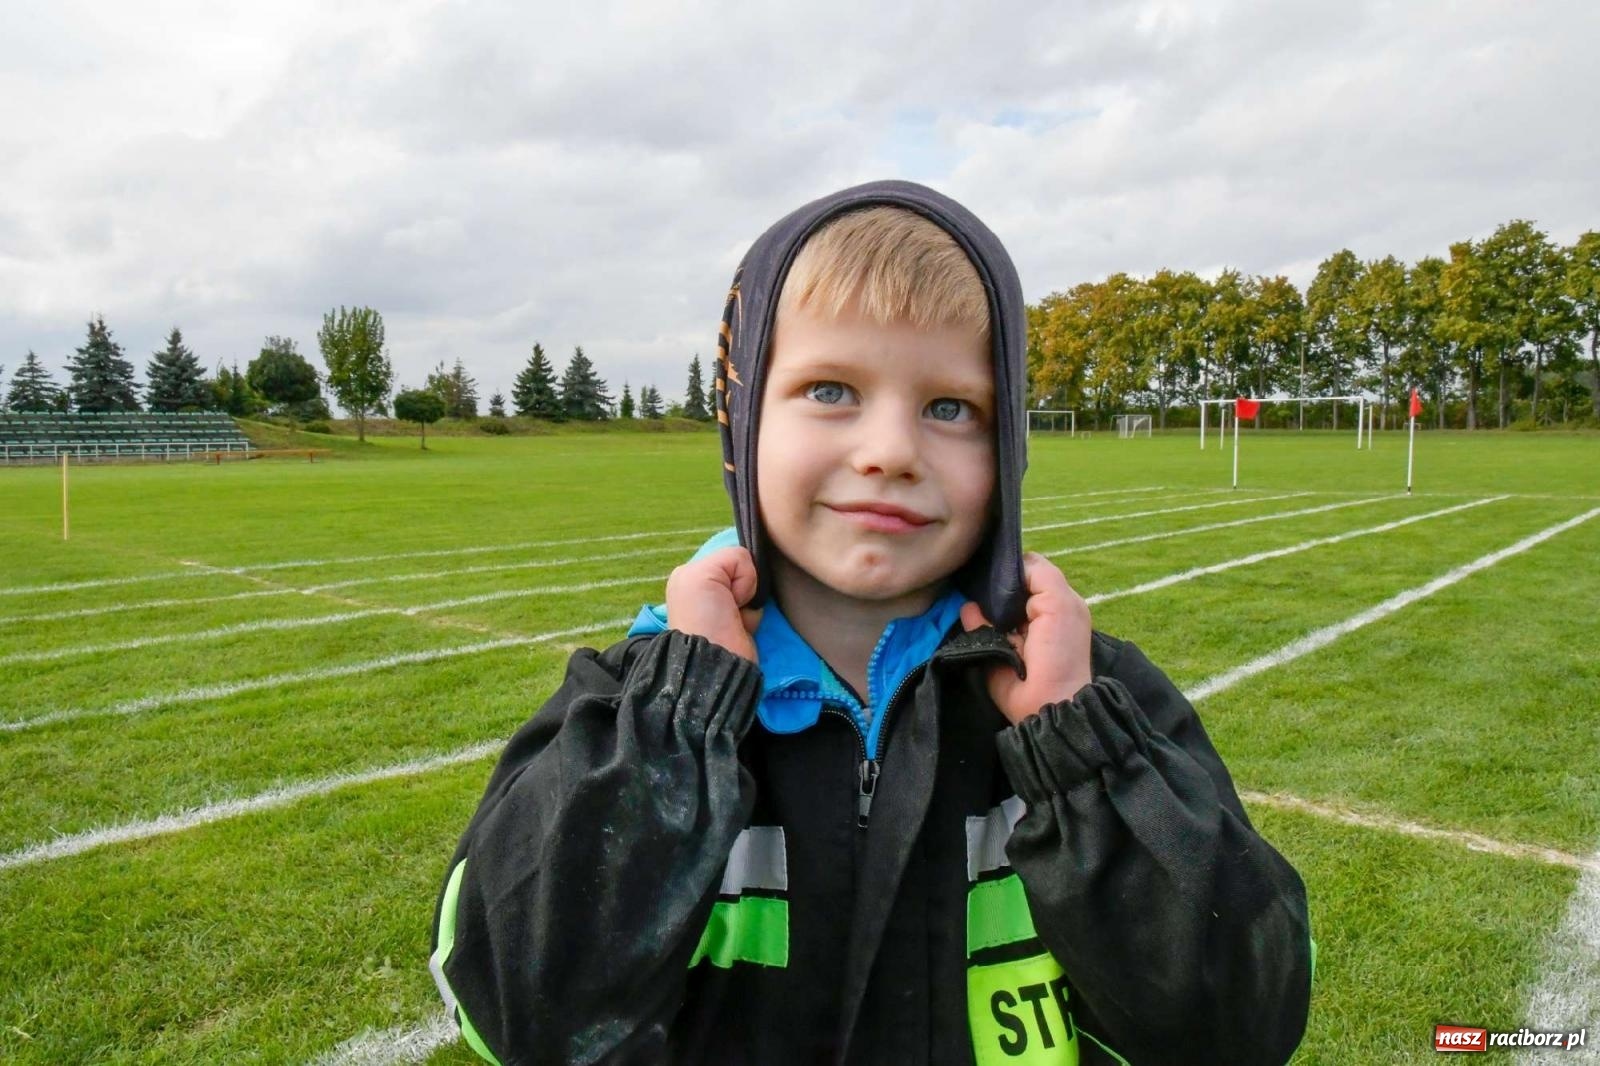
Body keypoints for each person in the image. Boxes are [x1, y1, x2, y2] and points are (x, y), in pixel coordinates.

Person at [429, 180, 1313, 1065]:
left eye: (950, 408)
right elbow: (521, 1010)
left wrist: (1074, 751)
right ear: (742, 424)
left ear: (1005, 448)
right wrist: (680, 716)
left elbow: (1241, 1024)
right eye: (829, 390)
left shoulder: (1091, 703)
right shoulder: (636, 709)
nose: (890, 450)